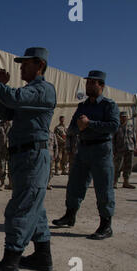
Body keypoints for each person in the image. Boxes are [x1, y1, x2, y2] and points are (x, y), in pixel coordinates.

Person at [0, 47, 56, 271]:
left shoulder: (44, 89)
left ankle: (10, 266)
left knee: (20, 209)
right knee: (35, 208)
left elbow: (14, 99)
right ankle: (43, 256)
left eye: (26, 64)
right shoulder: (28, 90)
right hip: (23, 156)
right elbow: (6, 112)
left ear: (39, 65)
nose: (21, 67)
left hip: (33, 155)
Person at [52, 70, 120, 241]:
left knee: (103, 188)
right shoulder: (83, 106)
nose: (88, 85)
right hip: (83, 150)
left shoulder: (108, 105)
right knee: (75, 184)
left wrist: (89, 124)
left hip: (101, 150)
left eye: (92, 82)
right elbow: (72, 128)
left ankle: (106, 225)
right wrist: (80, 127)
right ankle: (70, 215)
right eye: (87, 82)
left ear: (101, 85)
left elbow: (113, 126)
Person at [113, 111, 136, 189]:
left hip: (130, 148)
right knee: (117, 166)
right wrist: (114, 150)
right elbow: (113, 140)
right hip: (119, 149)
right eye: (122, 117)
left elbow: (134, 137)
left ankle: (126, 182)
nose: (124, 118)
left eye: (125, 117)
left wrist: (135, 146)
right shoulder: (116, 127)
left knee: (129, 166)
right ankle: (115, 182)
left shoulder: (131, 126)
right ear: (119, 117)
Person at [0, 120, 12, 190]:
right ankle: (2, 183)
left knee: (11, 168)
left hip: (12, 151)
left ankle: (11, 183)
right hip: (2, 151)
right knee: (2, 169)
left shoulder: (14, 125)